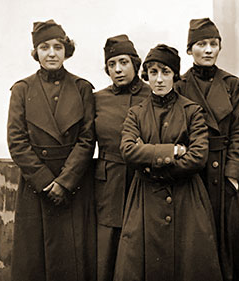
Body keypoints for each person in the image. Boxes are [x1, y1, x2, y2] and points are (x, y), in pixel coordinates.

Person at [113, 44, 223, 281]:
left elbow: (197, 157)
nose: (159, 79)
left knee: (189, 264)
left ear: (175, 74)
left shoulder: (192, 111)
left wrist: (150, 160)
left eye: (165, 71)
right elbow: (128, 150)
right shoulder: (136, 113)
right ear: (147, 76)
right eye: (153, 72)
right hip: (145, 201)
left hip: (187, 200)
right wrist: (173, 150)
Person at [7, 19, 96, 281]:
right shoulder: (22, 90)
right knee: (34, 261)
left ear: (66, 50)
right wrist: (46, 182)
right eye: (44, 47)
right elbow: (17, 141)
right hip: (37, 188)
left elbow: (87, 139)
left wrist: (65, 183)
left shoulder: (82, 88)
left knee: (72, 261)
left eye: (58, 46)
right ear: (36, 53)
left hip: (73, 187)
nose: (52, 53)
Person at [174, 18, 239, 281]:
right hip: (194, 172)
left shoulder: (232, 85)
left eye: (213, 44)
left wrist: (233, 174)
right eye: (201, 44)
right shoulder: (179, 87)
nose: (208, 50)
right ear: (189, 49)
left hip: (224, 173)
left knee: (227, 239)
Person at [93, 34, 151, 281]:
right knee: (108, 251)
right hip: (109, 184)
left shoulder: (152, 94)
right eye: (111, 64)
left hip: (145, 180)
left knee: (143, 246)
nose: (118, 69)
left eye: (124, 62)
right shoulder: (97, 99)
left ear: (135, 64)